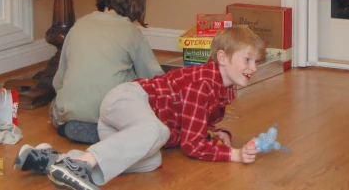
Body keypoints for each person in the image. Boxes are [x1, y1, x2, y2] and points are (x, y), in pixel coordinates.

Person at [15, 26, 265, 190]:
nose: (253, 68)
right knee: (157, 132)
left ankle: (52, 160)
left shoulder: (222, 88)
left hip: (132, 126)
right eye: (247, 60)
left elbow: (193, 123)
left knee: (151, 160)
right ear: (222, 58)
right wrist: (234, 154)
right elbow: (191, 144)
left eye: (256, 62)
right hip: (129, 99)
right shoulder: (203, 84)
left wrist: (214, 132)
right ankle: (80, 165)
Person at [49, 0, 163, 144]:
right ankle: (108, 128)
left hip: (68, 116)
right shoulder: (131, 32)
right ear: (135, 5)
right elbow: (154, 79)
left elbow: (59, 80)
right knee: (136, 81)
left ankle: (79, 124)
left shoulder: (79, 24)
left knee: (56, 103)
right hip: (111, 114)